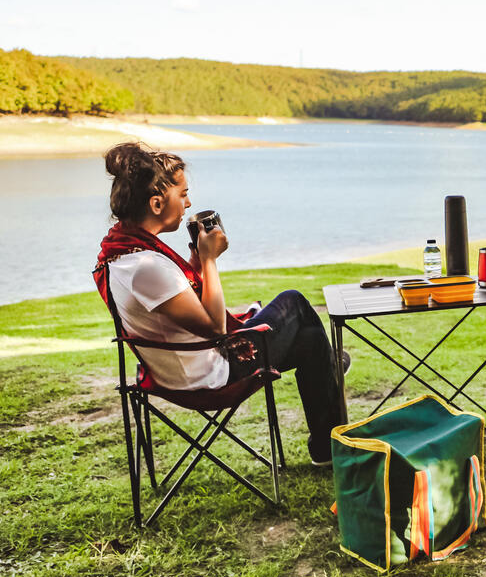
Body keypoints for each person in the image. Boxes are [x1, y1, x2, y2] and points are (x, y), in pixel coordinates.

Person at [93, 141, 348, 465]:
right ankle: (329, 373)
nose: (188, 203)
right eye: (182, 194)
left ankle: (327, 446)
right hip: (208, 375)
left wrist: (195, 266)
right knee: (293, 302)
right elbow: (213, 326)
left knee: (311, 341)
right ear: (157, 203)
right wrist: (210, 261)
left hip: (185, 363)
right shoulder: (146, 267)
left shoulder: (125, 252)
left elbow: (181, 312)